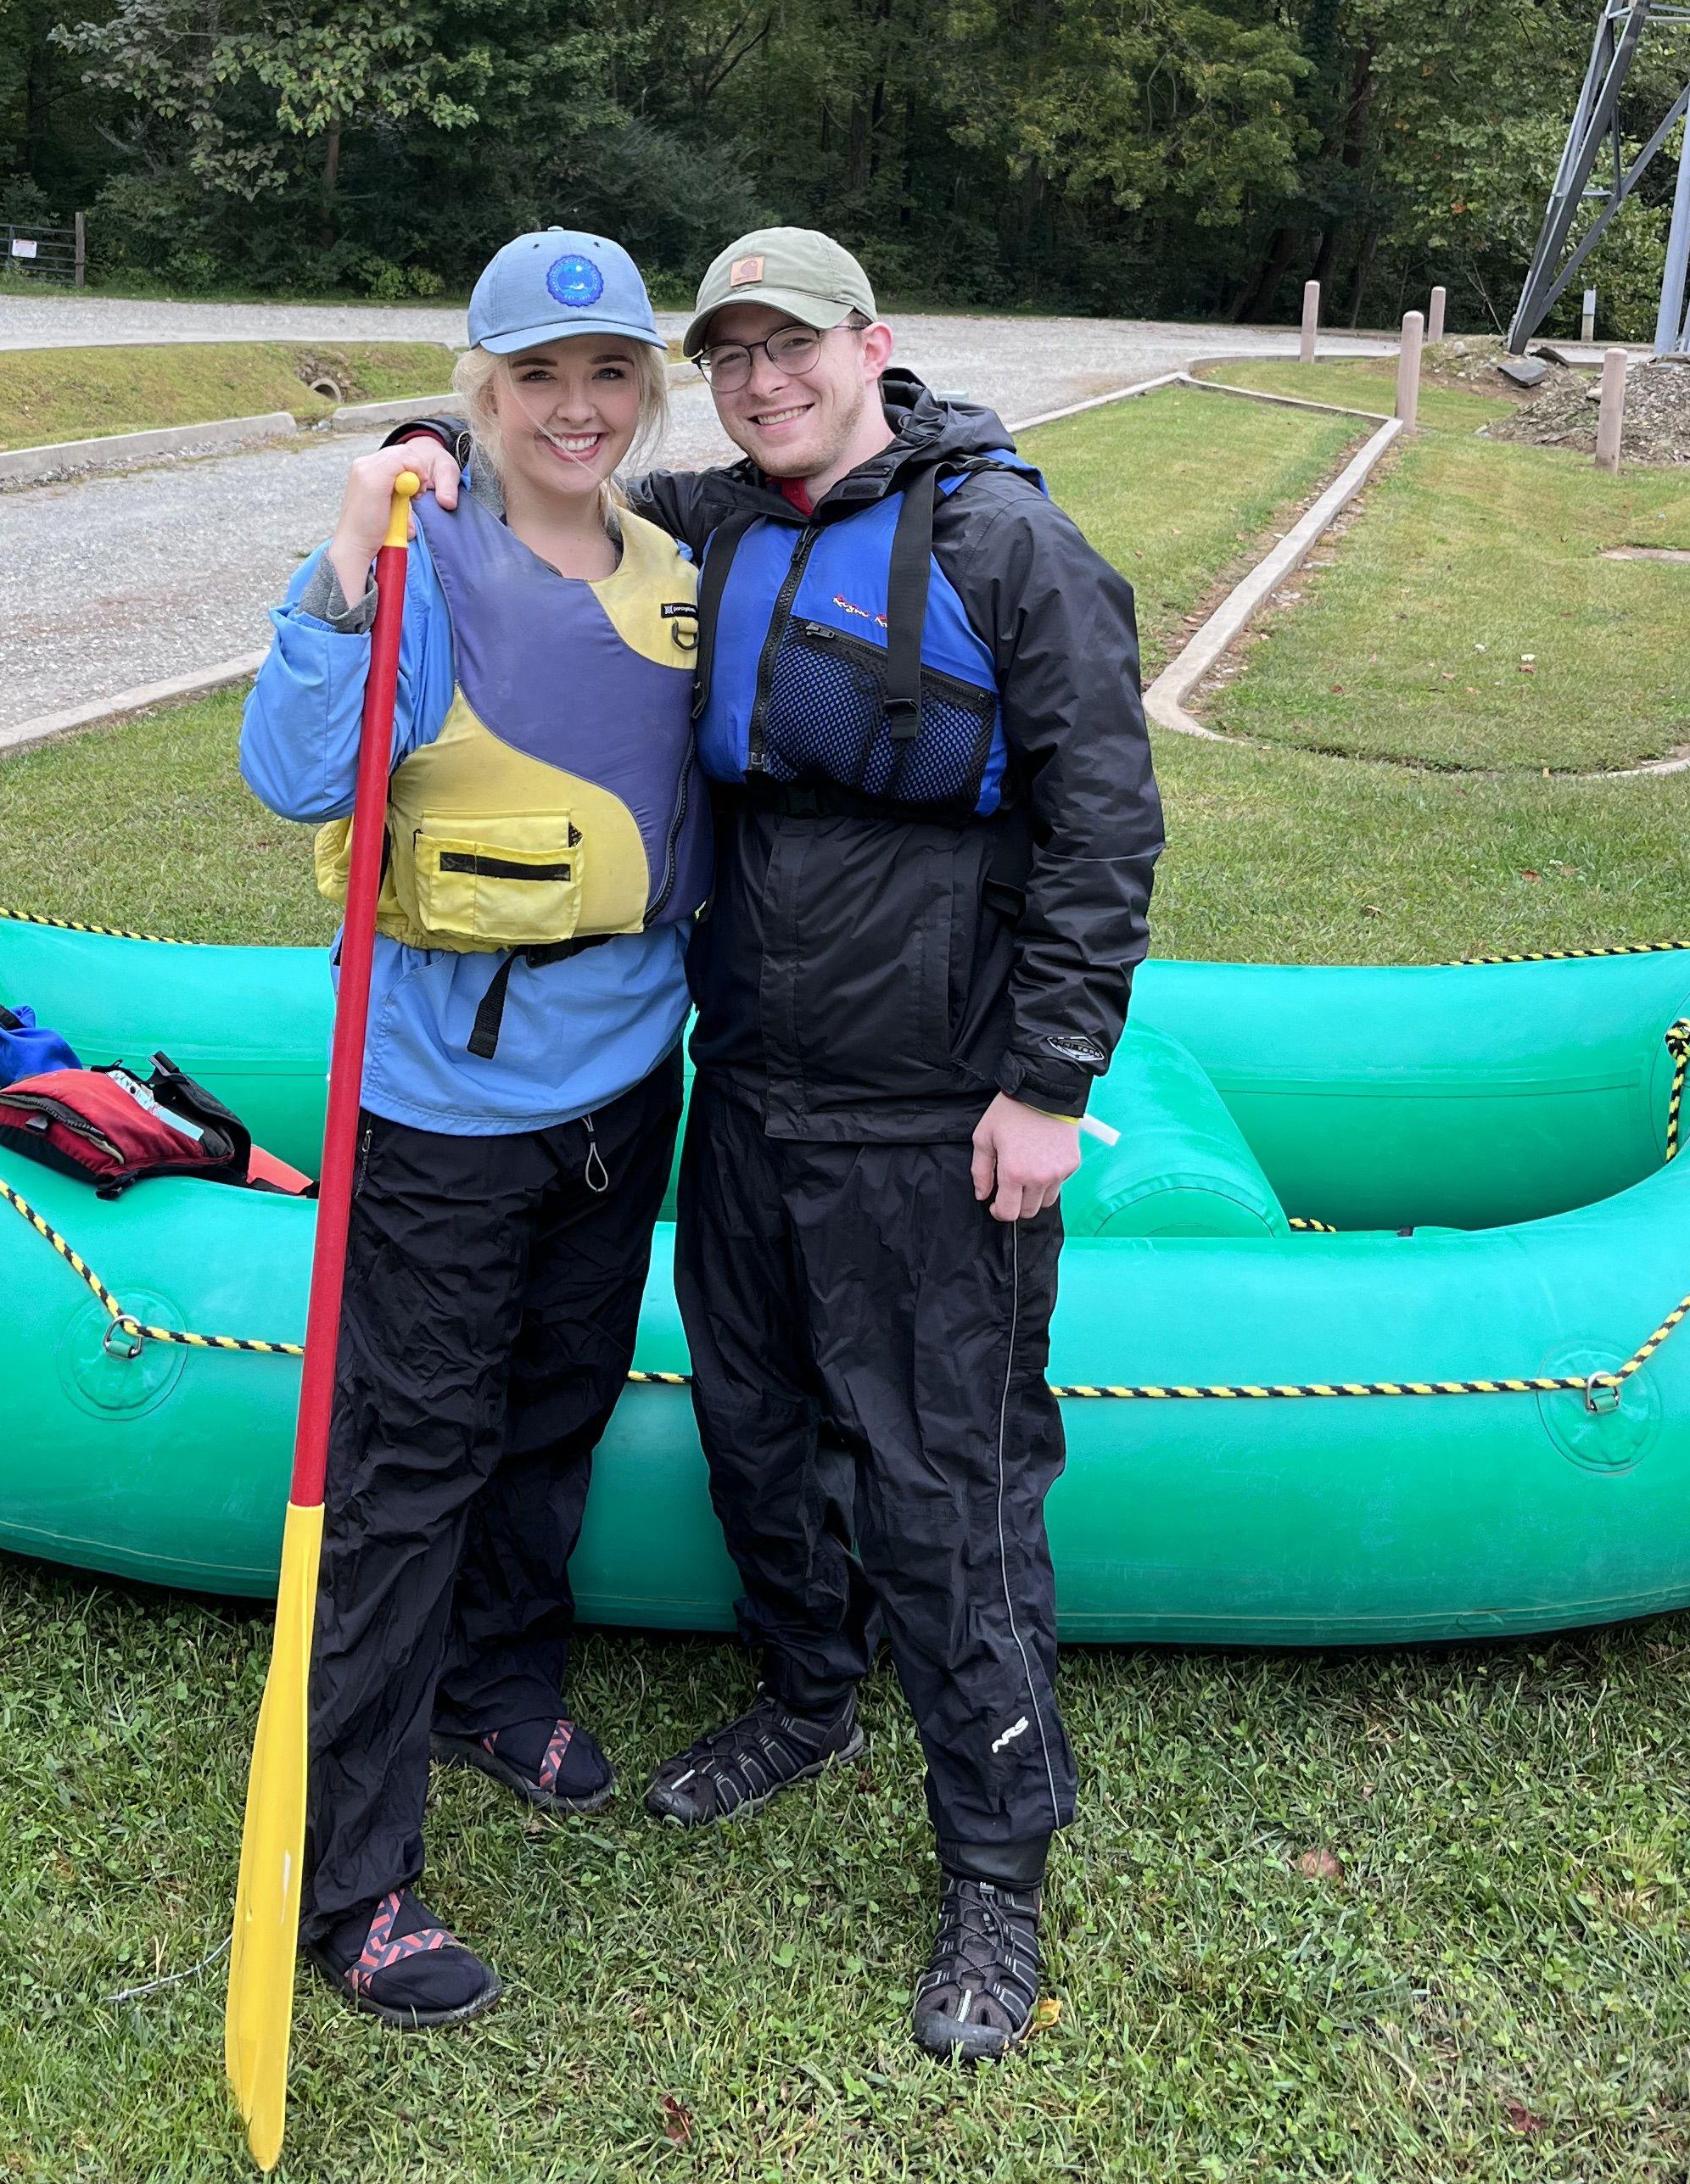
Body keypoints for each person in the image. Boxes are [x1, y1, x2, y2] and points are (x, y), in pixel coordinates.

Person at [387, 224, 1162, 2058]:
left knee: (944, 1490)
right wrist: (424, 447)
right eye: (729, 354)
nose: (761, 381)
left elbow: (1106, 829)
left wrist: (1049, 1082)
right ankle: (808, 1695)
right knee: (755, 1435)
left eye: (790, 348)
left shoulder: (1007, 544)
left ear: (870, 344)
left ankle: (996, 1868)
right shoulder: (720, 526)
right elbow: (544, 458)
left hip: (936, 1112)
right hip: (745, 1088)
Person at [234, 228, 707, 2031]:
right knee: (410, 1470)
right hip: (440, 1113)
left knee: (556, 1412)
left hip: (619, 1084)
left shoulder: (673, 569)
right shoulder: (421, 568)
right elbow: (297, 779)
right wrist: (344, 566)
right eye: (536, 379)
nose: (574, 410)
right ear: (484, 392)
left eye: (605, 376)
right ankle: (358, 1882)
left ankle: (499, 1685)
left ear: (637, 392)